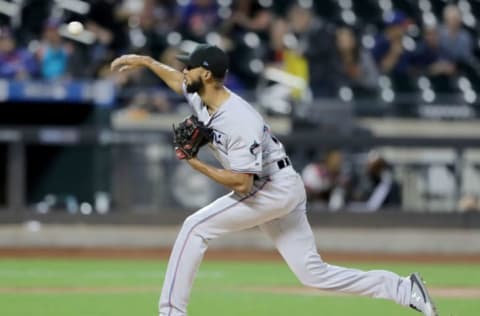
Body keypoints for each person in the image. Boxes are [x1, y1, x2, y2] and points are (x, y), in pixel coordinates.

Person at [110, 44, 438, 316]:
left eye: (190, 67)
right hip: (280, 186)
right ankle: (401, 288)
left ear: (206, 74)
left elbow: (242, 184)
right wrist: (147, 62)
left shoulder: (239, 120)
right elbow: (176, 82)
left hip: (272, 188)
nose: (184, 71)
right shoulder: (204, 96)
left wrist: (196, 163)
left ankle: (170, 312)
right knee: (313, 273)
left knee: (194, 228)